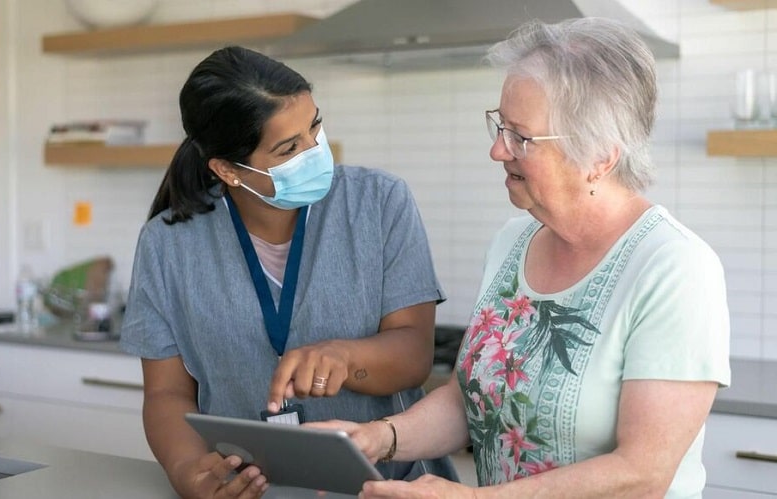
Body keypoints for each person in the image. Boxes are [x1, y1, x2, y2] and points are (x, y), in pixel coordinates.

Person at [310, 17, 731, 498]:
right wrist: (380, 438)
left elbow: (641, 474)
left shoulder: (675, 269)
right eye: (500, 126)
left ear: (600, 156)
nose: (496, 150)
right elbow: (472, 399)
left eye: (520, 137)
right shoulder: (513, 242)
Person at [119, 45, 457, 499]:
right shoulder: (167, 243)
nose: (314, 150)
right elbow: (166, 394)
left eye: (314, 126)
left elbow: (414, 356)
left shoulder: (379, 203)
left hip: (389, 488)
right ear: (227, 170)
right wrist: (187, 470)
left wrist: (346, 357)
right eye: (288, 148)